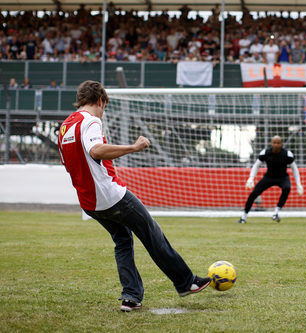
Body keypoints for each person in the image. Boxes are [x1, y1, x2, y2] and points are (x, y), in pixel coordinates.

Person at [57, 81, 211, 312]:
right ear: (100, 101)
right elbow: (96, 150)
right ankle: (185, 282)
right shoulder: (91, 121)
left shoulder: (65, 127)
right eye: (104, 106)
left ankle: (131, 297)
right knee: (152, 234)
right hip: (111, 196)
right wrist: (133, 147)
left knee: (122, 241)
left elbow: (69, 162)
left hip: (89, 202)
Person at [237, 136, 304, 224]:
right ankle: (243, 217)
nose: (276, 145)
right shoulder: (265, 153)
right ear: (271, 143)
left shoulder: (287, 154)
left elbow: (294, 168)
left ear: (281, 144)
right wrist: (251, 178)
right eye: (274, 142)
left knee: (287, 188)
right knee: (253, 194)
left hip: (282, 177)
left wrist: (299, 184)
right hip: (269, 177)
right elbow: (256, 165)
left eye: (278, 143)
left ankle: (276, 212)